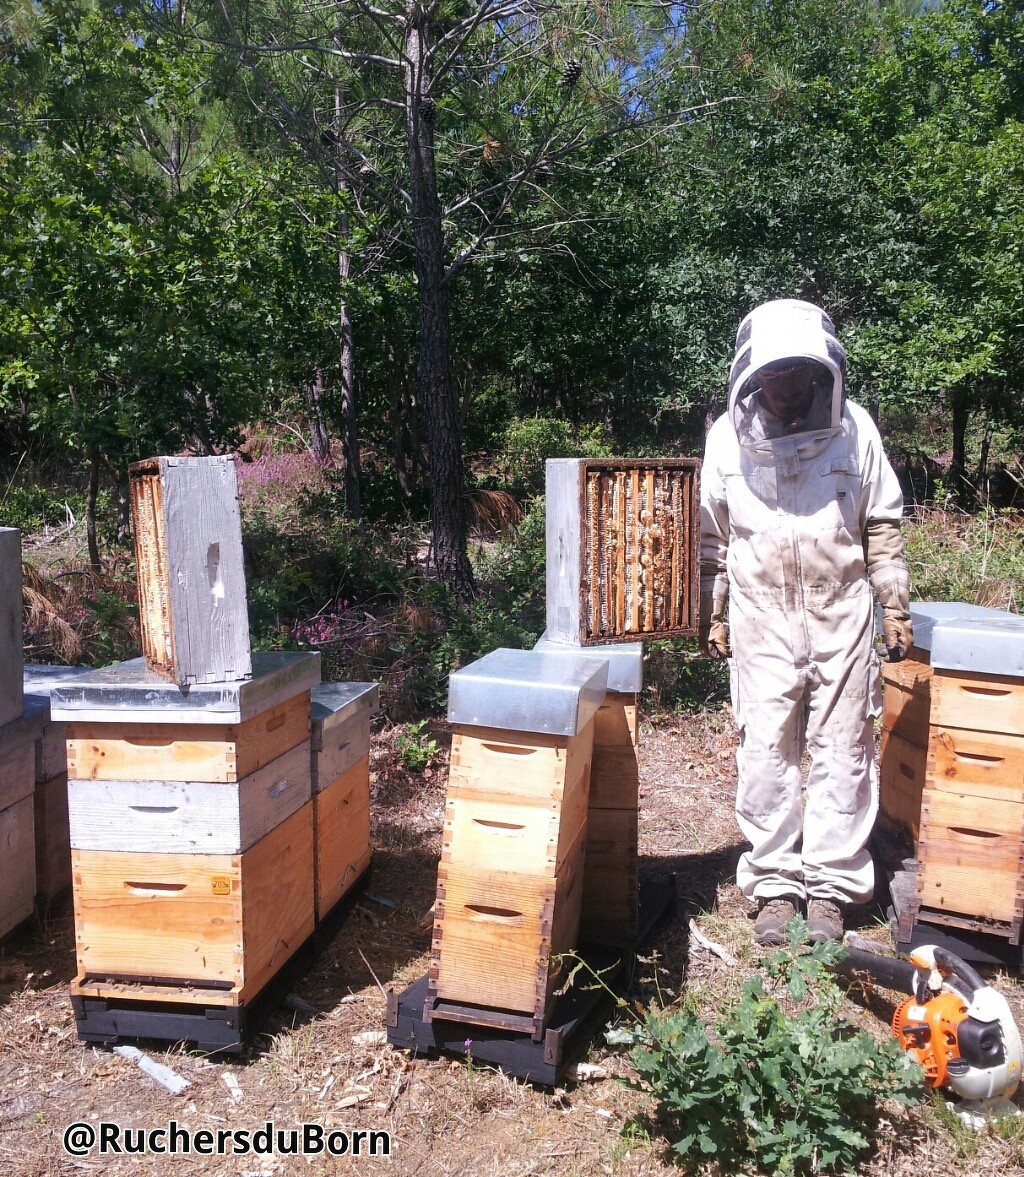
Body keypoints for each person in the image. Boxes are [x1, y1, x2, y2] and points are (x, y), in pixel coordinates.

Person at [698, 298, 913, 945]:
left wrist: (893, 604)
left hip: (840, 611)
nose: (781, 385)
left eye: (791, 373)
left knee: (844, 750)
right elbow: (713, 538)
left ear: (817, 372)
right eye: (770, 373)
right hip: (760, 616)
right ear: (751, 375)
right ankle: (774, 888)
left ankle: (829, 889)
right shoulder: (724, 442)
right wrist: (714, 612)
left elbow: (882, 523)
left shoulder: (856, 431)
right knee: (766, 752)